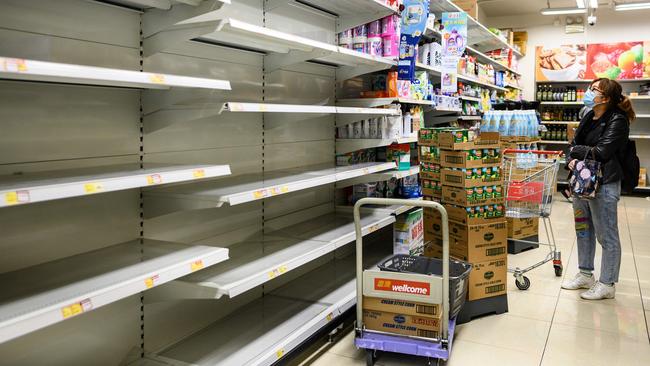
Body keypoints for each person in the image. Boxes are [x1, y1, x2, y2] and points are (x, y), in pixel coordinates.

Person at [561, 78, 635, 300]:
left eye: (594, 90)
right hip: (582, 181)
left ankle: (607, 283)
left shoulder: (618, 120)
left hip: (604, 183)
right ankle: (585, 274)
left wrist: (577, 152)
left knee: (606, 234)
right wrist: (571, 159)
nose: (588, 92)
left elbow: (602, 152)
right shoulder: (588, 115)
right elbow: (572, 145)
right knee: (583, 230)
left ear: (606, 98)